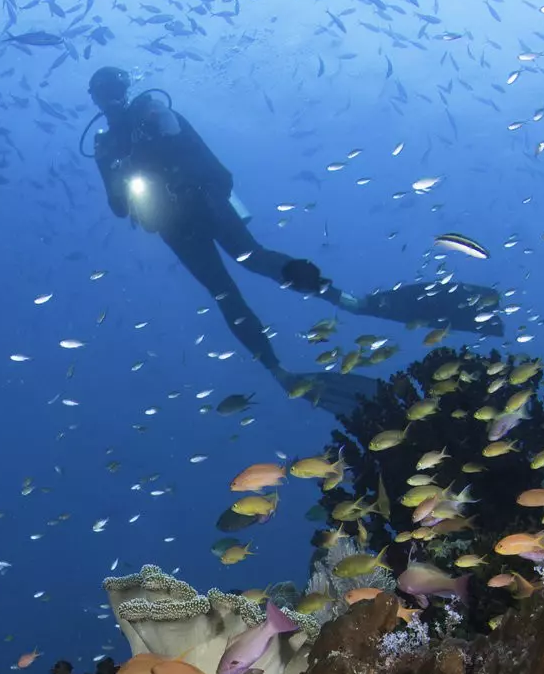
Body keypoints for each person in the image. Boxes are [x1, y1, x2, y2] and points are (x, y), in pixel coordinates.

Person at [85, 67, 500, 417]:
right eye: (104, 95)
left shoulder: (154, 113)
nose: (111, 100)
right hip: (173, 223)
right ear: (97, 100)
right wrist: (121, 179)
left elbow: (206, 160)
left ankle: (347, 303)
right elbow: (119, 208)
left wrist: (174, 158)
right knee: (225, 290)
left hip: (203, 203)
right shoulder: (106, 147)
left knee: (254, 263)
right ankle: (280, 366)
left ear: (124, 88)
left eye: (113, 91)